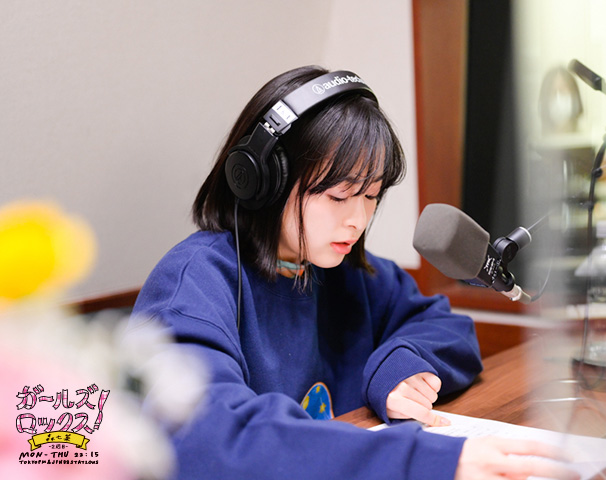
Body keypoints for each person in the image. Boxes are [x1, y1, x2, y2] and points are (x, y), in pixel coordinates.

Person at [131, 66, 579, 480]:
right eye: (339, 196)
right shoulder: (193, 285)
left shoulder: (347, 273)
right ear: (264, 182)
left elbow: (447, 328)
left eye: (371, 196)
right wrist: (426, 463)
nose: (358, 220)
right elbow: (208, 437)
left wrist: (401, 366)